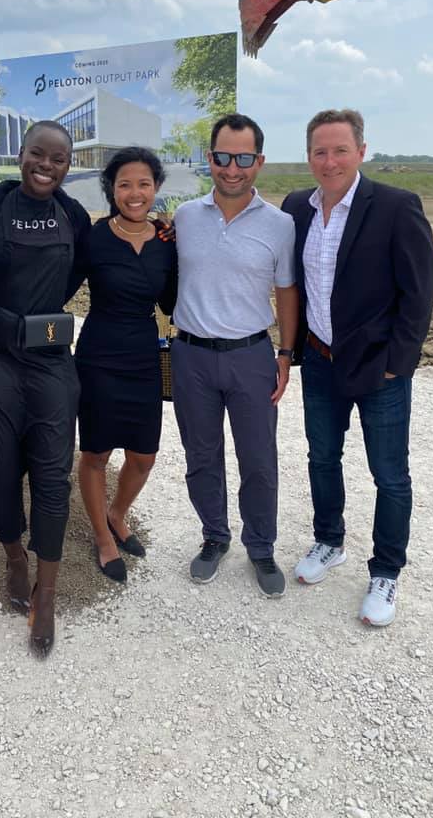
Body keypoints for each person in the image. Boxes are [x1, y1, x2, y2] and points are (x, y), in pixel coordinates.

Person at [282, 109, 433, 627]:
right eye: (320, 152)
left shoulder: (395, 206)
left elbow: (418, 293)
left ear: (361, 152)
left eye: (340, 150)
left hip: (379, 369)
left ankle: (387, 571)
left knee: (390, 475)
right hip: (321, 362)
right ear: (309, 156)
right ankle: (329, 541)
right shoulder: (296, 209)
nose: (330, 161)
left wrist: (399, 364)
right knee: (322, 458)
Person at [0, 120, 90, 656]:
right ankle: (14, 553)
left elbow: (74, 276)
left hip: (51, 361)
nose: (47, 165)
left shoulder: (74, 215)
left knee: (52, 473)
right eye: (38, 154)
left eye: (58, 159)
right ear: (21, 155)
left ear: (67, 165)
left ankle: (49, 593)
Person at [172, 113, 298, 596]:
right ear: (210, 158)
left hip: (251, 356)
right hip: (192, 357)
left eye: (244, 158)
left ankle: (261, 547)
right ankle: (214, 536)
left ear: (259, 162)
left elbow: (286, 291)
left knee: (259, 460)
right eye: (223, 157)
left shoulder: (280, 225)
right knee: (201, 456)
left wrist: (285, 353)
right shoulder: (185, 217)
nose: (232, 168)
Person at [75, 147, 177, 583]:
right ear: (112, 190)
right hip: (98, 355)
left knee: (144, 456)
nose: (135, 194)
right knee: (96, 452)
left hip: (142, 355)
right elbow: (57, 284)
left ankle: (118, 512)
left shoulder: (167, 242)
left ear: (155, 188)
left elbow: (171, 302)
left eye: (143, 184)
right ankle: (102, 535)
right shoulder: (94, 238)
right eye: (124, 185)